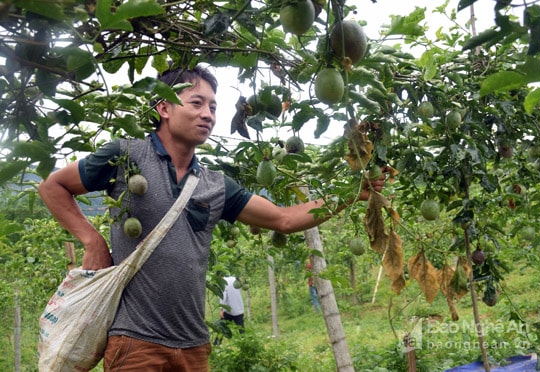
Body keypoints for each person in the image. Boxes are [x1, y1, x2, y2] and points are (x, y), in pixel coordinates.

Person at [37, 65, 385, 371]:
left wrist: (354, 192)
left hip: (193, 345)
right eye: (197, 103)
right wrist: (92, 239)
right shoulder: (126, 157)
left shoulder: (215, 185)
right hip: (134, 341)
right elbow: (53, 187)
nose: (208, 114)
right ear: (164, 107)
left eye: (213, 107)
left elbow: (284, 220)